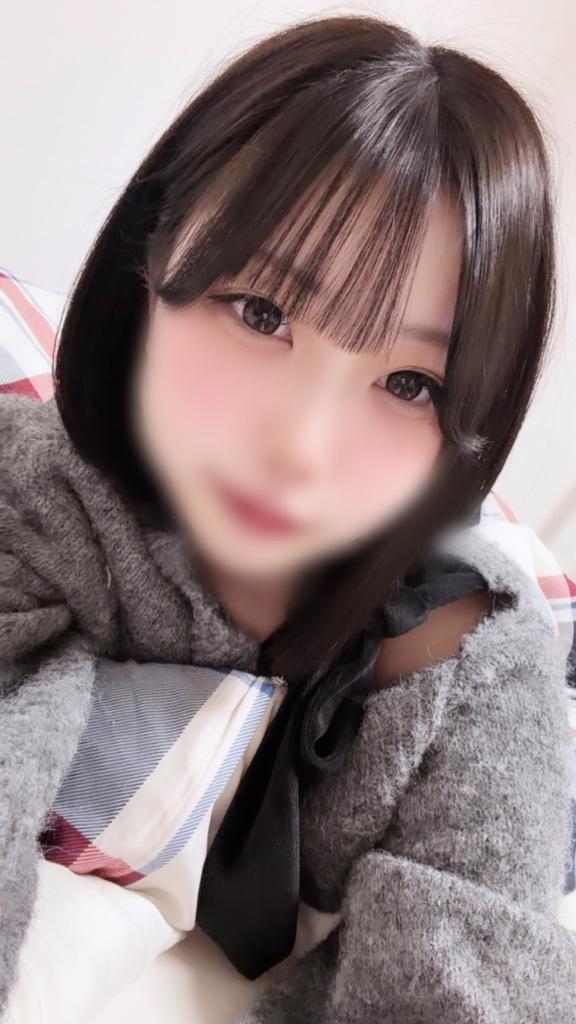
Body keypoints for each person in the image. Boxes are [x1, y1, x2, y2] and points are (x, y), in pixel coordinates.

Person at [1, 13, 575, 1023]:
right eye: (262, 313)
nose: (302, 446)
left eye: (409, 383)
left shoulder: (470, 661)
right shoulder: (35, 497)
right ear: (149, 264)